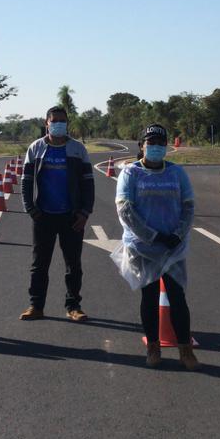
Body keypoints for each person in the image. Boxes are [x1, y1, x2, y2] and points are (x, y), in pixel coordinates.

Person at [113, 124, 198, 370]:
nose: (156, 147)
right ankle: (153, 346)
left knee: (177, 298)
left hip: (173, 248)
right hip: (143, 248)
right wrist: (152, 236)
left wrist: (177, 234)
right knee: (149, 298)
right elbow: (125, 209)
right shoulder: (130, 173)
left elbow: (188, 206)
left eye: (161, 143)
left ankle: (186, 350)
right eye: (151, 143)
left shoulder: (176, 173)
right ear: (142, 146)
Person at [19, 105, 96, 321]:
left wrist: (84, 212)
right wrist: (30, 208)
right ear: (47, 123)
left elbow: (88, 183)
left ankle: (73, 306)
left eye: (63, 121)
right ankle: (36, 306)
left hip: (72, 217)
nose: (59, 124)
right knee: (39, 265)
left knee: (74, 265)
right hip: (43, 216)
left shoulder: (78, 149)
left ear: (67, 124)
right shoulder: (36, 148)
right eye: (54, 121)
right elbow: (26, 182)